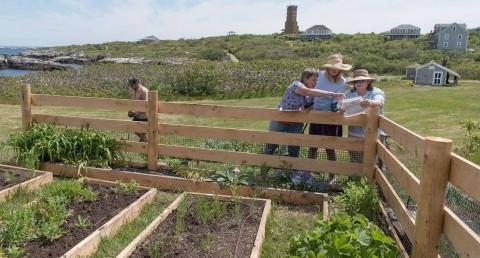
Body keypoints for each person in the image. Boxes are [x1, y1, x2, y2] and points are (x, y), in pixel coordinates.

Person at [264, 68, 344, 157]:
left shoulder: (311, 95)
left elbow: (310, 106)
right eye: (313, 80)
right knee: (271, 146)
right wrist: (332, 94)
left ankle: (292, 169)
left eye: (317, 81)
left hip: (296, 123)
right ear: (305, 78)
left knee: (294, 148)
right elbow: (309, 92)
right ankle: (264, 167)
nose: (315, 83)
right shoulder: (296, 85)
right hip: (280, 121)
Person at [308, 54, 352, 183]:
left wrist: (336, 106)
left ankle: (332, 176)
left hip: (331, 116)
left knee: (330, 146)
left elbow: (336, 100)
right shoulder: (319, 74)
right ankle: (309, 172)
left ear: (340, 69)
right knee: (313, 144)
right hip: (316, 113)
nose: (334, 69)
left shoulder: (342, 81)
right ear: (327, 68)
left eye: (337, 67)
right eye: (332, 67)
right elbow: (309, 88)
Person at [342, 69, 385, 163]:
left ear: (368, 82)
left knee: (375, 162)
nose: (359, 83)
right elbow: (342, 107)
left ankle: (374, 178)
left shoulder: (376, 92)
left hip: (374, 133)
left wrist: (371, 102)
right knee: (355, 161)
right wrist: (341, 108)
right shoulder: (349, 94)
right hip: (354, 133)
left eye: (362, 80)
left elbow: (380, 102)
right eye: (356, 81)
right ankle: (354, 177)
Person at [127, 77, 149, 142]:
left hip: (144, 116)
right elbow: (134, 103)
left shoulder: (144, 91)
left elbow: (146, 105)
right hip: (137, 115)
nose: (131, 87)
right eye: (130, 85)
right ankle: (144, 141)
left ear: (136, 83)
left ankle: (145, 142)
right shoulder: (135, 91)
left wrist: (137, 112)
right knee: (133, 128)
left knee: (141, 132)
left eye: (132, 85)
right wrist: (130, 111)